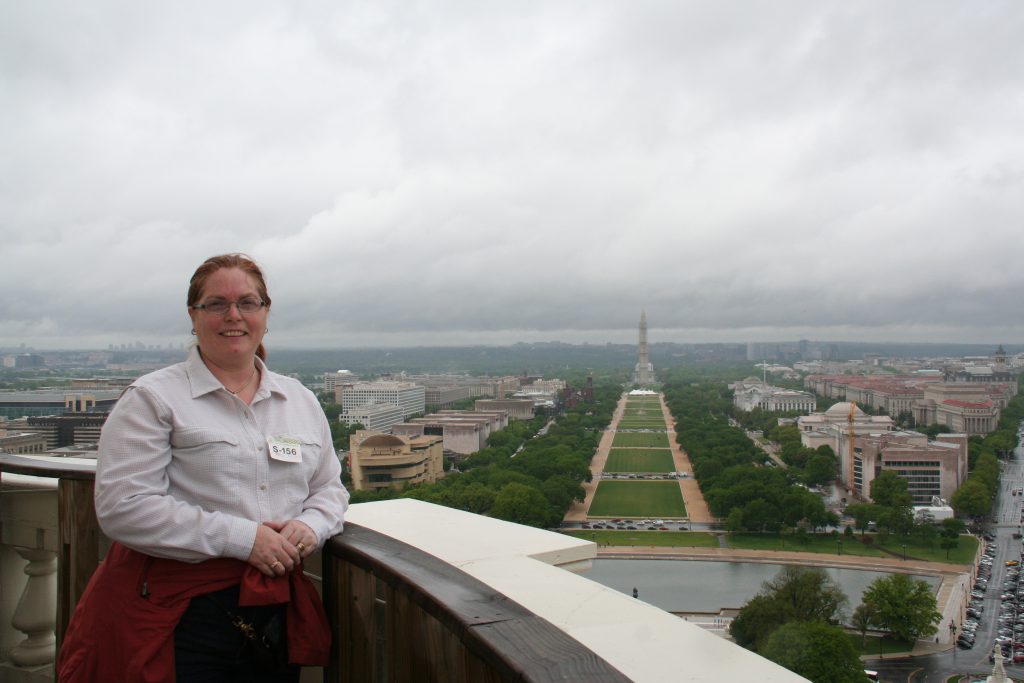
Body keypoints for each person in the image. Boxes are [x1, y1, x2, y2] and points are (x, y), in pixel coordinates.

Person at [58, 254, 350, 683]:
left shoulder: (300, 401)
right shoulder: (153, 399)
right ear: (193, 317)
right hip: (178, 612)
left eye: (248, 303)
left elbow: (330, 488)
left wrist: (311, 526)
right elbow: (124, 508)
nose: (234, 315)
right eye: (216, 304)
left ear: (266, 314)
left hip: (274, 611)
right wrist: (244, 539)